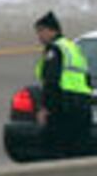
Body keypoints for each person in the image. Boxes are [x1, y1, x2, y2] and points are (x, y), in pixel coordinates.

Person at [33, 10, 93, 158]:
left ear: (51, 30)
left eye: (41, 31)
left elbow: (51, 81)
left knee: (54, 150)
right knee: (78, 152)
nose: (39, 36)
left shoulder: (55, 49)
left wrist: (45, 108)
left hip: (63, 106)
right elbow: (87, 78)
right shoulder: (72, 47)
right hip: (82, 106)